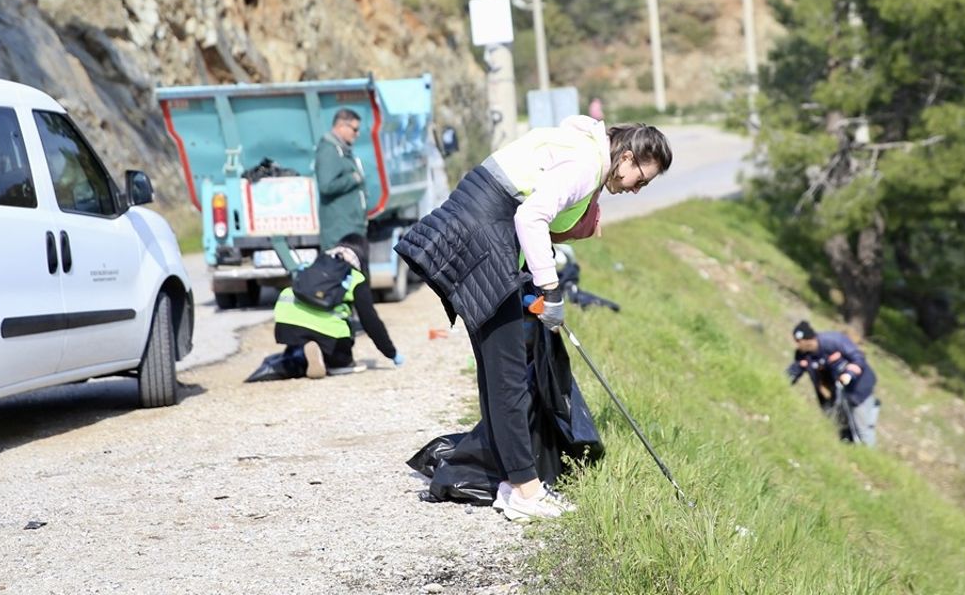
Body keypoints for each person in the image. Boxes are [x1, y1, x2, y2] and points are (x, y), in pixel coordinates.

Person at [395, 116, 672, 521]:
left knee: (497, 371)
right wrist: (551, 290)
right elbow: (530, 218)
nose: (635, 189)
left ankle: (512, 485)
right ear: (626, 156)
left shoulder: (583, 148)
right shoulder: (586, 163)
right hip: (483, 235)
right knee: (507, 374)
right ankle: (525, 492)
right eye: (640, 179)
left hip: (477, 230)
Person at [314, 109, 404, 377]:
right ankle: (339, 357)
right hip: (340, 239)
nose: (356, 134)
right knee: (349, 298)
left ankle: (342, 354)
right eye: (353, 129)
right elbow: (326, 185)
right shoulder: (329, 151)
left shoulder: (342, 149)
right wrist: (354, 178)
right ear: (340, 126)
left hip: (351, 233)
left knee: (353, 298)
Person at [272, 246, 369, 378]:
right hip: (328, 332)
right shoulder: (355, 277)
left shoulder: (311, 265)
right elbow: (370, 320)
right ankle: (332, 361)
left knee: (298, 353)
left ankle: (302, 352)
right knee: (341, 359)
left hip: (286, 325)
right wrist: (391, 353)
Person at [787, 320, 880, 446]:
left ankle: (869, 455)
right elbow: (795, 370)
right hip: (836, 394)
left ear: (808, 339)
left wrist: (849, 375)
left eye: (799, 341)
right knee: (841, 428)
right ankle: (849, 452)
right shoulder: (804, 355)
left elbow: (858, 359)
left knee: (862, 428)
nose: (797, 345)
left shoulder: (834, 341)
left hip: (859, 388)